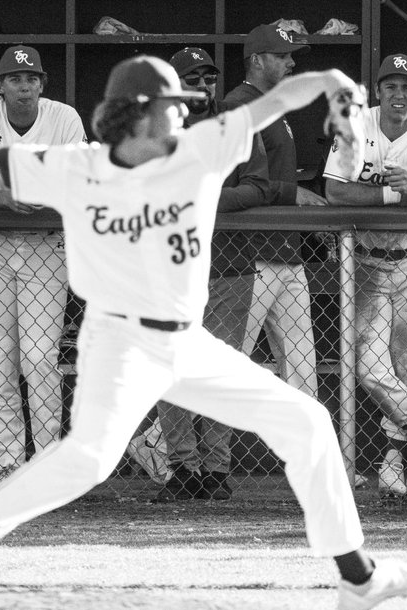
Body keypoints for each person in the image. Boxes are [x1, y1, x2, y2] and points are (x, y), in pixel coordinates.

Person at [0, 54, 407, 609]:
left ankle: (357, 577)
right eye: (172, 106)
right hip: (119, 343)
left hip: (187, 342)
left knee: (307, 423)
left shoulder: (199, 148)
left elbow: (279, 98)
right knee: (89, 459)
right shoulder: (79, 167)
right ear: (139, 111)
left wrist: (334, 84)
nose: (185, 113)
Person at [324, 54, 407, 499]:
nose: (399, 95)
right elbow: (334, 190)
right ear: (377, 92)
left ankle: (396, 455)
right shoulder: (356, 125)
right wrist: (391, 194)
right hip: (366, 263)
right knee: (370, 368)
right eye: (390, 86)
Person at [0, 45, 86, 488]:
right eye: (14, 79)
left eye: (31, 78)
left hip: (45, 245)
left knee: (38, 357)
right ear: (0, 85)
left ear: (42, 83)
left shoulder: (63, 117)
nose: (24, 86)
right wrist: (13, 193)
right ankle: (9, 466)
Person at [153, 46, 270, 503]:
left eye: (209, 77)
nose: (203, 85)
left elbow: (258, 187)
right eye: (193, 78)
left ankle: (217, 469)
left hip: (228, 264)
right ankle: (184, 467)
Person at [229, 23, 326, 398]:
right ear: (256, 60)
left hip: (286, 252)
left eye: (291, 56)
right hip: (249, 258)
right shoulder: (239, 105)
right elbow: (234, 184)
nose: (291, 63)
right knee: (225, 362)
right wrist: (293, 193)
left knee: (302, 367)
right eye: (282, 56)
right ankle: (165, 432)